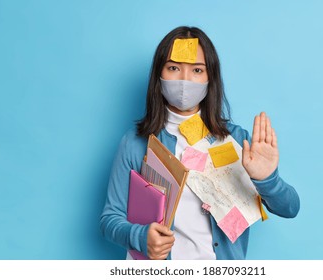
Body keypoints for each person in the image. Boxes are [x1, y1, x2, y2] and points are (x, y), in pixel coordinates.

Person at [100, 26, 300, 260]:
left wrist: (267, 179)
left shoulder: (237, 140)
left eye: (197, 70)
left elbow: (290, 209)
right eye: (174, 68)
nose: (185, 80)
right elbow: (110, 219)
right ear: (159, 74)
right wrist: (140, 237)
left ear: (210, 78)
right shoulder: (136, 142)